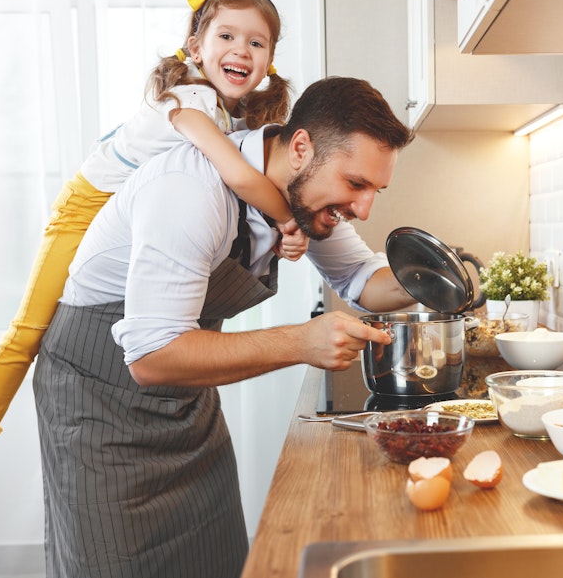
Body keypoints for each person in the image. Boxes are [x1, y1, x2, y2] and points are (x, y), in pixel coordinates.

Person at [0, 0, 306, 521]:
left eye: (257, 43)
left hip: (124, 215)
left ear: (269, 62)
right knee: (30, 328)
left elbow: (237, 197)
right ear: (194, 46)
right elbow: (239, 178)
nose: (241, 50)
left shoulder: (235, 119)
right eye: (227, 35)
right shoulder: (190, 101)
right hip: (86, 206)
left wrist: (277, 235)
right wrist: (290, 220)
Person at [33, 75, 414, 578]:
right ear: (301, 147)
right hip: (99, 406)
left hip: (185, 405)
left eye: (374, 190)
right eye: (356, 184)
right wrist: (302, 341)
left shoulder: (299, 195)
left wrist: (441, 278)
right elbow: (151, 357)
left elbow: (364, 279)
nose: (363, 208)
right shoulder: (191, 191)